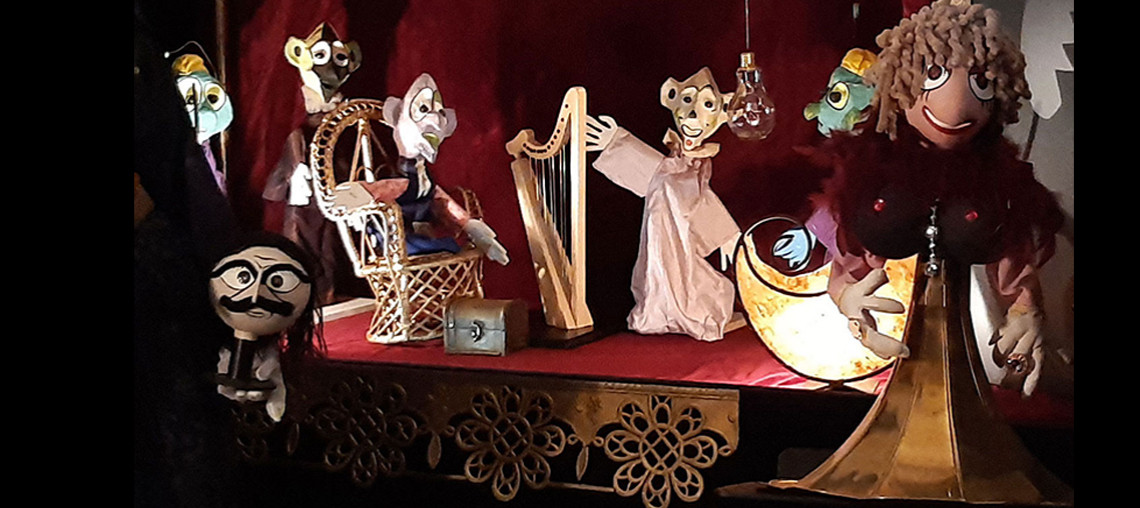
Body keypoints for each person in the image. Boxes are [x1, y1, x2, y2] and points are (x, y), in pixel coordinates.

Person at [798, 0, 1062, 397]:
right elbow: (848, 243)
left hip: (966, 345)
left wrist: (1026, 307)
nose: (954, 106)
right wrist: (846, 296)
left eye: (981, 82)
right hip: (899, 344)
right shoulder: (875, 169)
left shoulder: (995, 178)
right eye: (933, 74)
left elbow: (1013, 251)